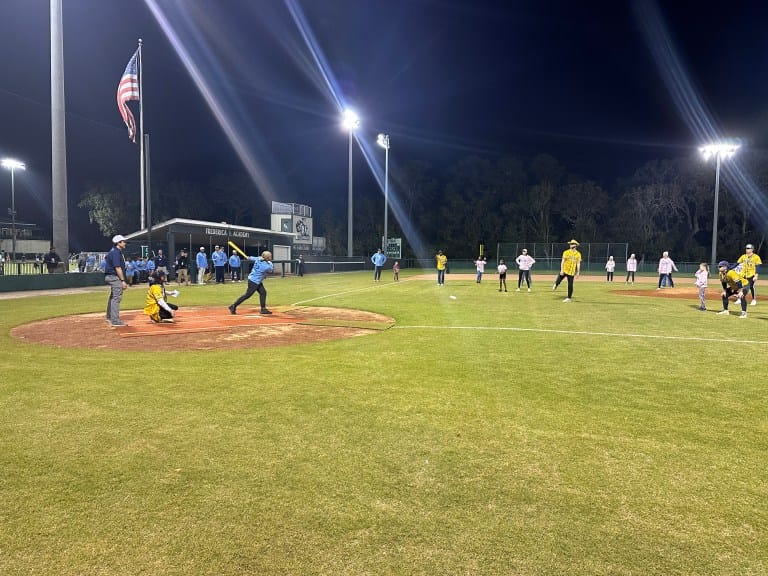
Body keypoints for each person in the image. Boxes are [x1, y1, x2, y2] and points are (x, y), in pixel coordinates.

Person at [229, 250, 274, 315]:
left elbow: (251, 258)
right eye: (269, 257)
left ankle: (263, 309)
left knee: (263, 292)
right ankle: (233, 306)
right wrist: (269, 263)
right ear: (266, 258)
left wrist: (249, 257)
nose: (271, 258)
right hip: (254, 281)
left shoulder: (258, 258)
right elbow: (270, 269)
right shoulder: (265, 266)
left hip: (256, 280)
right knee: (247, 295)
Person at [104, 235, 129, 327]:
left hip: (111, 276)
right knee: (116, 298)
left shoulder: (114, 251)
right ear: (118, 243)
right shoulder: (116, 252)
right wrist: (122, 280)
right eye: (123, 241)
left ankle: (109, 317)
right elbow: (117, 267)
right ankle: (115, 320)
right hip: (114, 276)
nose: (125, 243)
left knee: (113, 297)